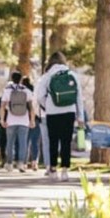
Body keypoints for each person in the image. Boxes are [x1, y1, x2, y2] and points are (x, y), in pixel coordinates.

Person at [34, 52, 85, 180]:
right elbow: (79, 97)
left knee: (53, 141)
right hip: (69, 111)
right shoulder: (72, 75)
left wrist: (48, 105)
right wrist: (80, 117)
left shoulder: (47, 76)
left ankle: (53, 169)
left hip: (52, 113)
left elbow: (39, 96)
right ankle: (65, 170)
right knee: (66, 141)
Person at [0, 71, 34, 172]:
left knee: (10, 143)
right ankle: (21, 163)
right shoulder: (26, 90)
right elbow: (31, 107)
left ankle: (9, 163)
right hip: (24, 120)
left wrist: (2, 119)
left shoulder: (7, 90)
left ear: (12, 78)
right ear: (20, 79)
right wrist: (32, 120)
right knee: (23, 143)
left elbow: (2, 106)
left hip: (11, 120)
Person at [23, 76, 41, 170]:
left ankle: (24, 163)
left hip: (24, 120)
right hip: (36, 119)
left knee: (25, 142)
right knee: (35, 142)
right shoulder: (34, 93)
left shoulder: (22, 93)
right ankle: (34, 162)